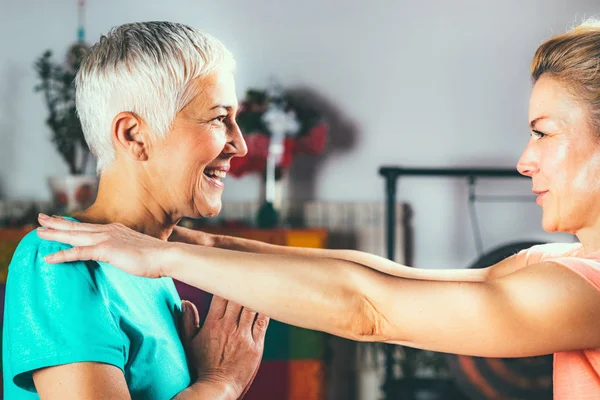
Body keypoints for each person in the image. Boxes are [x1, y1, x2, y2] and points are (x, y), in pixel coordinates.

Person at [38, 19, 600, 400]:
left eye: (543, 133)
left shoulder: (586, 292)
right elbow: (380, 277)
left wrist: (166, 265)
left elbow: (369, 309)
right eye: (218, 119)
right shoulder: (566, 262)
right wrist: (183, 244)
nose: (526, 160)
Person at [3, 22, 270, 399]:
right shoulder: (59, 257)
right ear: (134, 135)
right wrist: (221, 383)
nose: (240, 145)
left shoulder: (150, 264)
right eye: (218, 117)